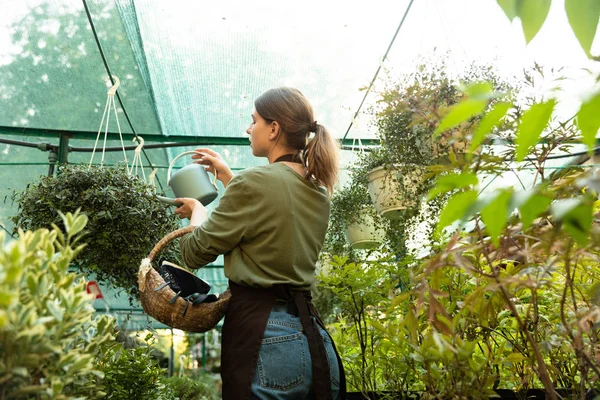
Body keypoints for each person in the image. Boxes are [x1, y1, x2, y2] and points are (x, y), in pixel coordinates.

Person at [174, 87, 346, 400]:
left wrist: (198, 212)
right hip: (313, 340)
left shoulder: (253, 183)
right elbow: (271, 215)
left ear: (274, 128)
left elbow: (194, 252)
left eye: (253, 121)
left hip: (266, 340)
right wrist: (229, 178)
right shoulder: (319, 190)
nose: (247, 128)